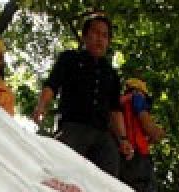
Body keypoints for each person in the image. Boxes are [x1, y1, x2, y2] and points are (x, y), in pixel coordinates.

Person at [31, 11, 133, 176]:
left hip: (102, 135)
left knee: (108, 179)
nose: (100, 39)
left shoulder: (111, 74)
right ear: (85, 37)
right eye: (95, 33)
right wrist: (41, 106)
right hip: (73, 128)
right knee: (63, 174)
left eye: (105, 35)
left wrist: (123, 139)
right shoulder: (69, 59)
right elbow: (52, 85)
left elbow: (115, 109)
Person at [118, 77, 165, 192]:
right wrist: (158, 133)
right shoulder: (137, 99)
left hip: (120, 155)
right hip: (138, 157)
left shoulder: (119, 102)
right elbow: (150, 129)